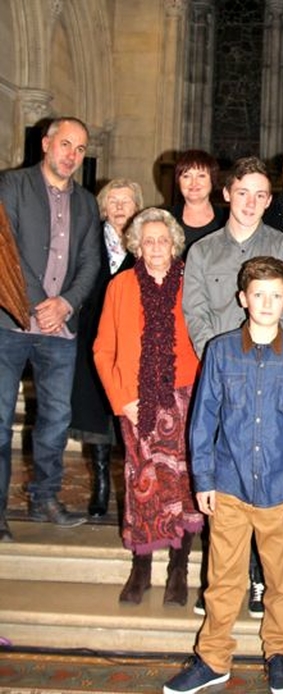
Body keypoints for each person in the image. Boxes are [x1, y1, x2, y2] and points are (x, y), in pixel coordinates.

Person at [163, 256, 283, 694]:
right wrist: (204, 478)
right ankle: (214, 658)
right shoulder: (220, 350)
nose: (267, 303)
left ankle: (281, 652)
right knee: (224, 579)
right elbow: (203, 418)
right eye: (258, 295)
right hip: (229, 485)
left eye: (276, 295)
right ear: (243, 299)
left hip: (280, 488)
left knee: (282, 579)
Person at [183, 155, 283, 617]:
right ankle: (220, 582)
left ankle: (258, 578)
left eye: (260, 194)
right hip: (221, 375)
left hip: (271, 376)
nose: (250, 202)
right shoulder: (203, 252)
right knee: (227, 477)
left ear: (268, 200)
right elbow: (196, 313)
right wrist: (221, 360)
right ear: (227, 193)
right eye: (243, 192)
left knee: (266, 470)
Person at [94, 208, 203, 606]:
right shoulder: (121, 286)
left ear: (174, 244)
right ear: (137, 246)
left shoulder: (192, 281)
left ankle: (179, 566)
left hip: (187, 398)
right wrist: (122, 399)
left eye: (163, 240)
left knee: (185, 484)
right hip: (137, 400)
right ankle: (140, 567)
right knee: (142, 484)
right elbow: (103, 349)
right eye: (148, 240)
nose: (156, 247)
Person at [0, 116, 100, 540]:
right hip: (9, 322)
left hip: (60, 329)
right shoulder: (11, 185)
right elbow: (7, 248)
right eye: (65, 145)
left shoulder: (87, 202)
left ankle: (45, 498)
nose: (72, 155)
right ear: (45, 144)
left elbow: (91, 261)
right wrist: (41, 301)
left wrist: (66, 303)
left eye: (80, 149)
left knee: (56, 419)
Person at [70, 178, 143, 517]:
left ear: (137, 205)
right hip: (92, 338)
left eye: (125, 201)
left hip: (131, 344)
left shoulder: (144, 242)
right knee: (96, 410)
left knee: (129, 414)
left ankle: (132, 488)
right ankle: (101, 484)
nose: (118, 207)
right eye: (112, 200)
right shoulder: (88, 238)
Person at [172, 149, 228, 257]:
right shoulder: (165, 218)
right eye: (186, 176)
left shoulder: (227, 220)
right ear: (178, 181)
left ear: (212, 180)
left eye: (201, 176)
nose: (194, 183)